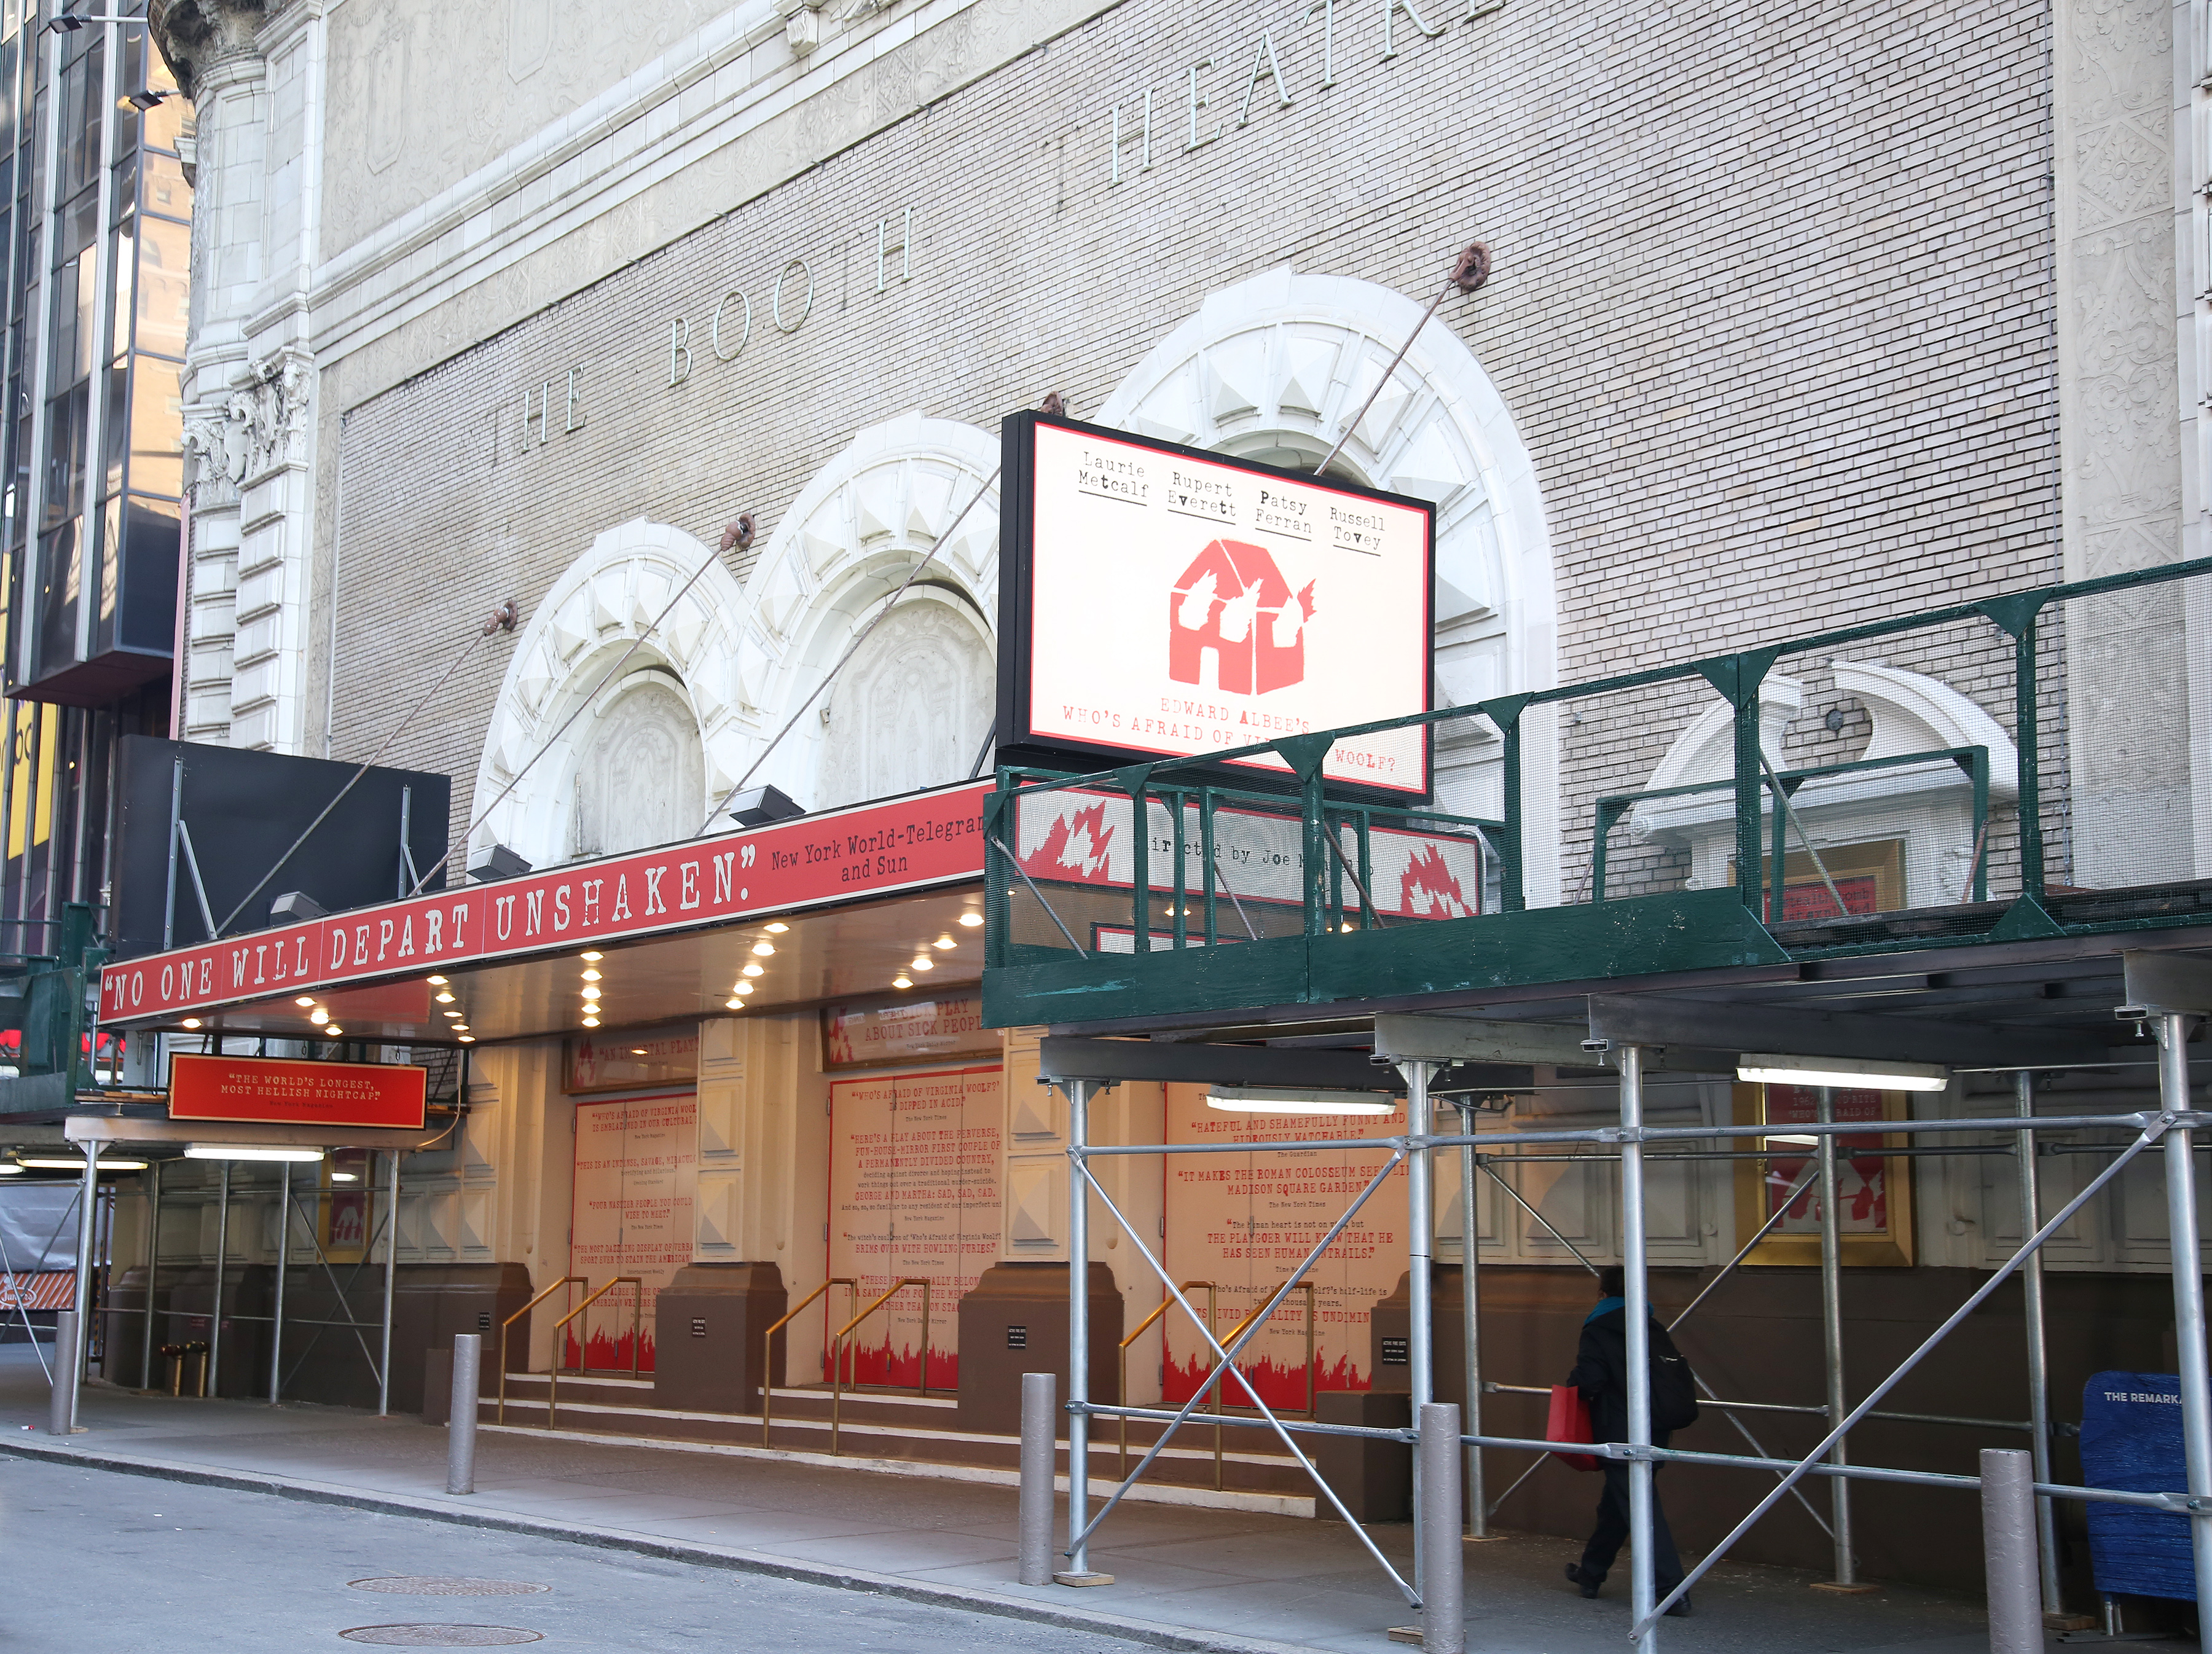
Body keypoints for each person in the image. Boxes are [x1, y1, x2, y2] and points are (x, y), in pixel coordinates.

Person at [1563, 1266, 1693, 1616]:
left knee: (1641, 1508)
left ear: (1603, 1293)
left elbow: (1590, 1379)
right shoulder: (1651, 1325)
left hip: (1621, 1432)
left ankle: (1671, 1591)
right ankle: (1591, 1573)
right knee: (1617, 1507)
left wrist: (1570, 1383)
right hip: (1656, 1429)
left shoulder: (1600, 1327)